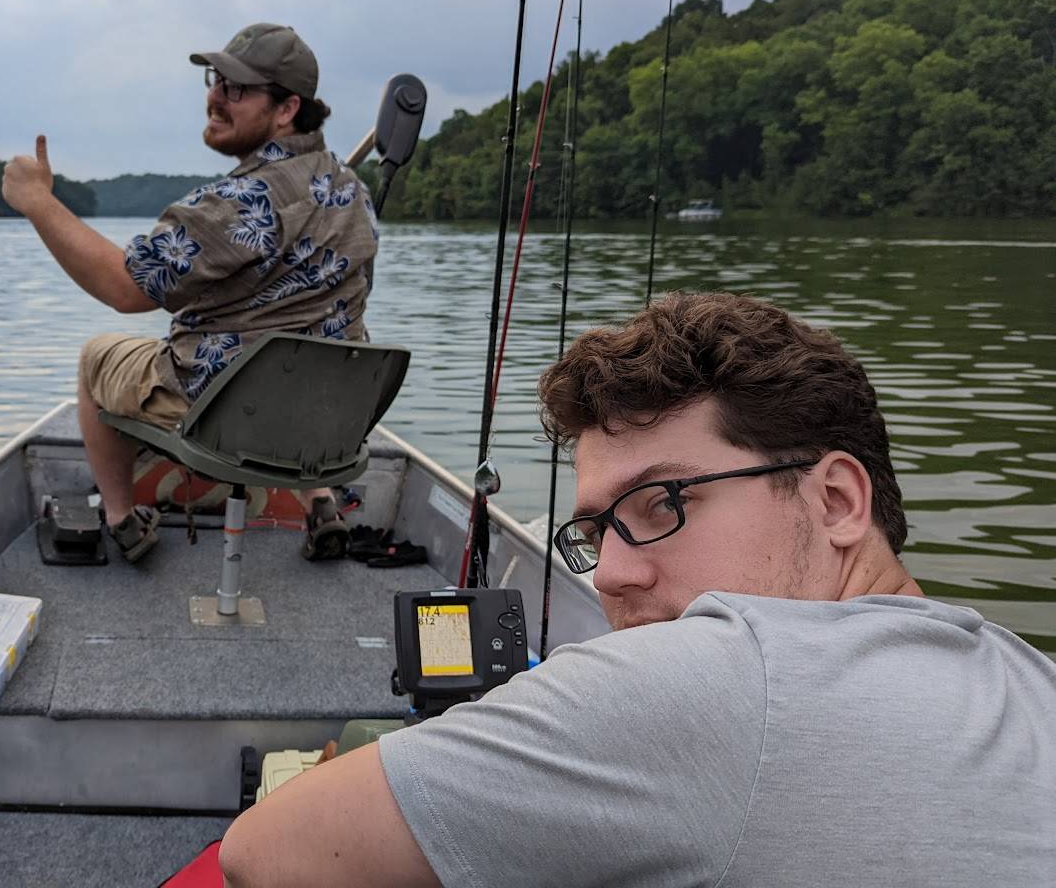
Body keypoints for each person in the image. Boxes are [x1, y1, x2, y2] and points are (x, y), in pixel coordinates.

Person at [218, 292, 1056, 886]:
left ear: (836, 501)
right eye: (592, 532)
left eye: (665, 503)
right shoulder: (1026, 679)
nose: (614, 572)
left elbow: (266, 855)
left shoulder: (726, 674)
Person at [1, 23, 379, 564]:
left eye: (237, 89)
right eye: (216, 80)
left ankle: (121, 519)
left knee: (97, 359)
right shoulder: (353, 191)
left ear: (286, 109)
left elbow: (123, 287)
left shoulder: (235, 203)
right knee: (304, 345)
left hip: (227, 413)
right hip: (325, 420)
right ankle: (321, 503)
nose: (215, 98)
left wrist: (38, 201)